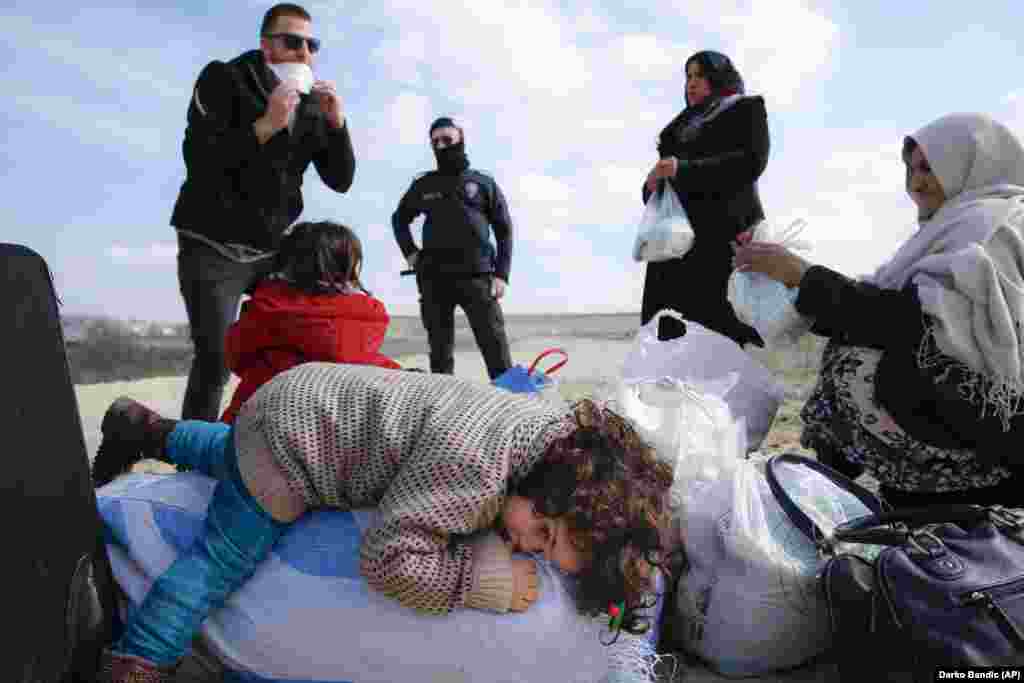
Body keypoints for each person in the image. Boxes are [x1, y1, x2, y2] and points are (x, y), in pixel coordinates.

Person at [93, 364, 673, 681]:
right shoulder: (476, 475)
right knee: (218, 561)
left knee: (231, 453)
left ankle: (146, 430)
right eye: (540, 536)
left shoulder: (546, 434)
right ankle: (138, 658)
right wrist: (476, 580)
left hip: (311, 397)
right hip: (296, 448)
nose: (529, 549)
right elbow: (388, 560)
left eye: (545, 555)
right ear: (538, 484)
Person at [732, 112, 1024, 508]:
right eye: (910, 169)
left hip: (999, 445)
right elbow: (878, 311)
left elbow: (912, 325)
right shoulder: (952, 229)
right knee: (847, 347)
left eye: (929, 167)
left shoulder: (997, 228)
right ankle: (843, 492)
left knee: (858, 358)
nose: (915, 183)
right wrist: (787, 277)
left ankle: (935, 491)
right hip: (960, 426)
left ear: (972, 164)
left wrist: (804, 276)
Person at [171, 3, 356, 422]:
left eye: (312, 45)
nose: (304, 53)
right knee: (216, 360)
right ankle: (191, 460)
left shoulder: (311, 105)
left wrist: (338, 125)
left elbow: (340, 179)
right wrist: (265, 126)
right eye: (292, 42)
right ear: (265, 44)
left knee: (304, 338)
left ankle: (276, 437)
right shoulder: (223, 78)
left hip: (272, 249)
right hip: (212, 244)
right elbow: (200, 159)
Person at [215, 220, 401, 424]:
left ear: (287, 264)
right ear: (349, 267)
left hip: (257, 428)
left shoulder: (266, 309)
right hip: (343, 435)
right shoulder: (366, 317)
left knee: (189, 435)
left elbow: (236, 357)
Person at [641, 50, 768, 347]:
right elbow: (661, 192)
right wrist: (651, 183)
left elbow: (751, 162)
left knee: (716, 330)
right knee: (669, 331)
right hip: (675, 242)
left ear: (718, 77)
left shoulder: (745, 109)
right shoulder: (676, 129)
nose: (692, 83)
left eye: (700, 75)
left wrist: (682, 169)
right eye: (688, 76)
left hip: (723, 234)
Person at [392, 117, 514, 380]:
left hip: (478, 278)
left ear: (461, 138)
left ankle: (512, 407)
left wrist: (502, 275)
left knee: (496, 349)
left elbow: (504, 229)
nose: (441, 145)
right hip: (434, 280)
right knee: (440, 355)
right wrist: (411, 254)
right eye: (435, 141)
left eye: (447, 139)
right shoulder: (424, 185)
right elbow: (399, 219)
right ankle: (441, 412)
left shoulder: (482, 183)